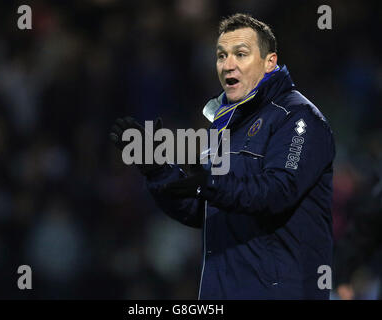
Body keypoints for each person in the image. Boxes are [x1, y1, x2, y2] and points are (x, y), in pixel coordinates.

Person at [110, 13, 335, 299]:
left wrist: (210, 184)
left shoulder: (297, 118)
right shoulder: (223, 124)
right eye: (221, 55)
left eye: (241, 54)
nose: (228, 64)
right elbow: (201, 210)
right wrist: (156, 168)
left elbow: (279, 191)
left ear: (270, 62)